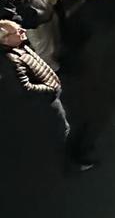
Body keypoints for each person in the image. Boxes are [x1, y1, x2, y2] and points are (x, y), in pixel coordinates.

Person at [0, 20, 94, 170]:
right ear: (5, 39)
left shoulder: (18, 46)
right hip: (46, 100)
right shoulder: (10, 61)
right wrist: (49, 88)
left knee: (67, 121)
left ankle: (76, 146)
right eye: (17, 31)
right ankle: (74, 161)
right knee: (62, 130)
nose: (23, 31)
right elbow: (26, 88)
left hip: (51, 91)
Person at [0, 0, 60, 69]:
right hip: (36, 25)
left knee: (53, 41)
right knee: (44, 51)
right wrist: (31, 21)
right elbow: (10, 17)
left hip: (47, 13)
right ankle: (51, 70)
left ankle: (57, 57)